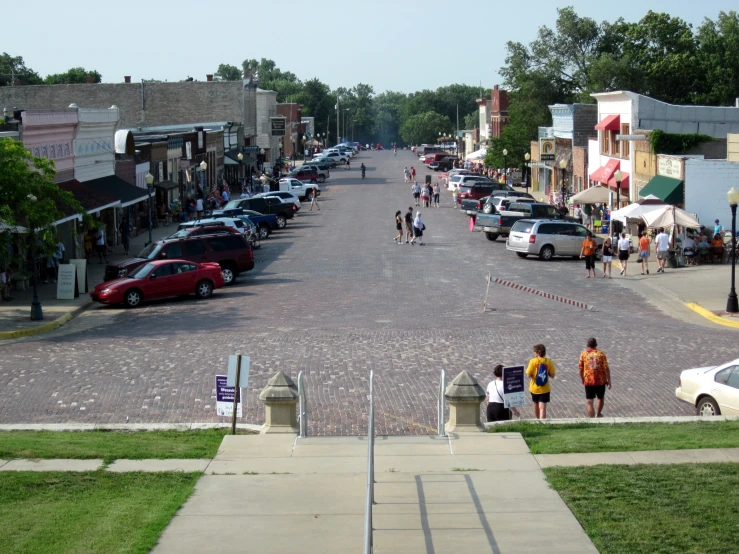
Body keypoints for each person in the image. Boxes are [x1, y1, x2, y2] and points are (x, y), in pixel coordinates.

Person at [578, 337, 611, 418]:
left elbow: (580, 369)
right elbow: (606, 368)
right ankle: (598, 414)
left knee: (589, 401)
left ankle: (592, 418)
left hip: (588, 380)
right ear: (596, 344)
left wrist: (582, 378)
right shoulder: (601, 354)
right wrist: (609, 380)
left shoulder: (583, 354)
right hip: (600, 380)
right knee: (600, 398)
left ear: (587, 345)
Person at [525, 344, 556, 419]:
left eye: (534, 351)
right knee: (543, 408)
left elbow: (528, 375)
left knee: (536, 405)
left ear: (537, 353)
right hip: (545, 388)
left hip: (534, 388)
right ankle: (543, 423)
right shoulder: (548, 361)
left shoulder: (533, 361)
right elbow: (552, 375)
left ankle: (538, 420)